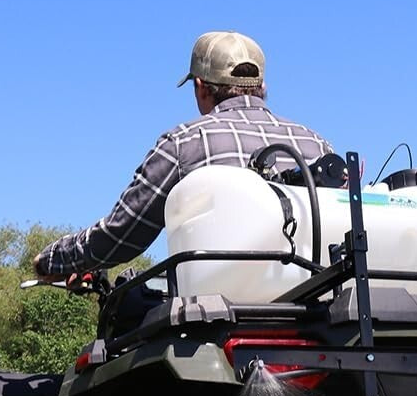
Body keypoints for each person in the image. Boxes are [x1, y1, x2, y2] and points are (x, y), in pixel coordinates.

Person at [33, 31, 333, 278]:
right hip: (318, 312)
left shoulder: (184, 142)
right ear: (262, 87)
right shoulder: (317, 145)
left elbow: (121, 235)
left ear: (201, 88)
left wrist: (54, 260)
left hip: (221, 311)